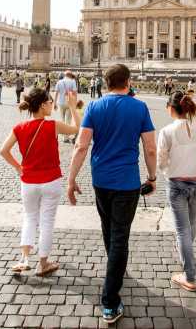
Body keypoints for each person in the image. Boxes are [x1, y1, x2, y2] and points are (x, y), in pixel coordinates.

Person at [66, 64, 157, 324]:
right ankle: (109, 301)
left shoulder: (94, 107)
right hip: (127, 183)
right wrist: (151, 178)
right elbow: (150, 148)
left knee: (108, 229)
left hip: (101, 181)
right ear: (127, 82)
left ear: (105, 83)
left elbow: (81, 146)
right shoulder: (138, 107)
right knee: (120, 237)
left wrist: (71, 180)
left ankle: (114, 269)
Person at [0, 87, 80, 276]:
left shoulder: (19, 128)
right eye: (51, 102)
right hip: (51, 181)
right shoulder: (52, 125)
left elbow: (3, 151)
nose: (52, 105)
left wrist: (18, 167)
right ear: (43, 105)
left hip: (28, 181)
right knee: (46, 222)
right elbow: (77, 128)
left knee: (29, 217)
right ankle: (43, 263)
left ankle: (24, 259)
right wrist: (73, 107)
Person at [157, 91, 196, 291]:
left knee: (182, 230)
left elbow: (161, 159)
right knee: (191, 222)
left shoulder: (167, 131)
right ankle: (187, 253)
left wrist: (165, 172)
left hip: (177, 183)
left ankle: (189, 275)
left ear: (171, 109)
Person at [55, 71, 78, 143]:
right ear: (70, 75)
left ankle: (63, 135)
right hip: (69, 103)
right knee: (68, 120)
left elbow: (56, 92)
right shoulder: (73, 81)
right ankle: (66, 137)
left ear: (65, 75)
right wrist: (75, 102)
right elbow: (75, 93)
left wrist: (54, 103)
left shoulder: (59, 82)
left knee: (62, 119)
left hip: (60, 102)